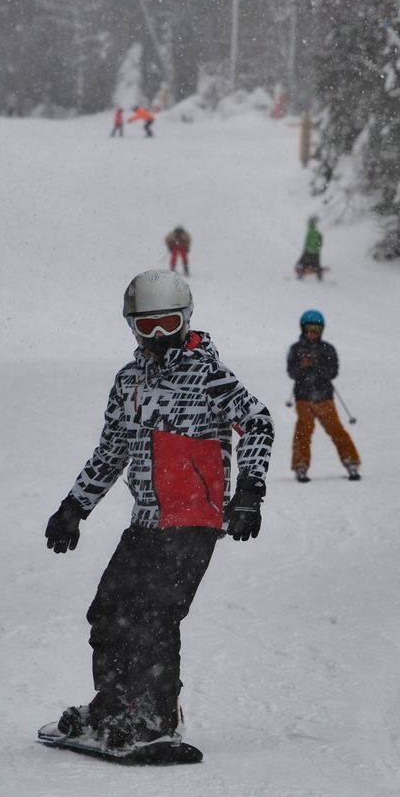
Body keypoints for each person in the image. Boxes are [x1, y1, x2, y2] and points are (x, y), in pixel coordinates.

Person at [43, 269, 274, 750]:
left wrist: (249, 490)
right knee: (108, 612)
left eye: (167, 322)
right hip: (146, 521)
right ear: (132, 326)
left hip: (194, 520)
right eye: (147, 326)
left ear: (186, 318)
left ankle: (156, 717)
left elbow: (257, 422)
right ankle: (113, 705)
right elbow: (110, 452)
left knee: (155, 614)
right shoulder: (128, 382)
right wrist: (73, 507)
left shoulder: (209, 374)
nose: (159, 336)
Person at [287, 309, 360, 482]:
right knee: (303, 431)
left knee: (336, 429)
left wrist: (317, 365)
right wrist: (303, 366)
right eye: (310, 329)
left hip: (324, 397)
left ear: (322, 330)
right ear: (303, 329)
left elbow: (333, 372)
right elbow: (292, 372)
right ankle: (300, 465)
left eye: (317, 329)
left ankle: (351, 461)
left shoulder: (327, 349)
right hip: (303, 398)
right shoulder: (296, 349)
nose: (313, 333)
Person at [296, 215, 325, 280]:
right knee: (316, 263)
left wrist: (306, 248)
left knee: (304, 262)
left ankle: (301, 273)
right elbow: (320, 242)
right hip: (316, 252)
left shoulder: (309, 231)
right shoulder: (317, 232)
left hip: (308, 250)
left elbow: (307, 241)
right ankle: (319, 275)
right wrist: (318, 248)